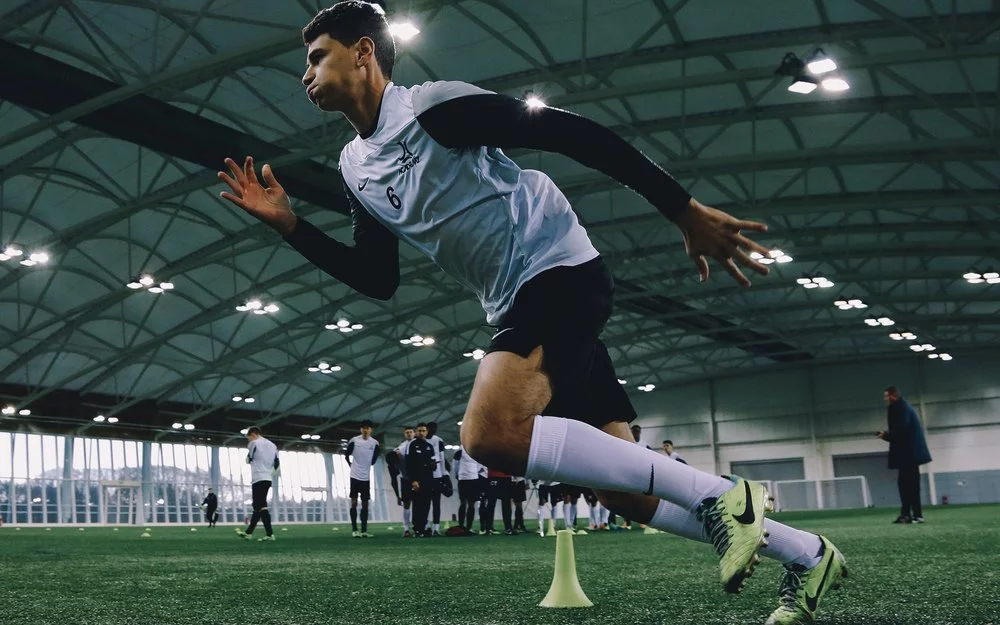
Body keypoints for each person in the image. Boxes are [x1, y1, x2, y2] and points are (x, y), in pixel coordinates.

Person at [217, 3, 845, 621]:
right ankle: (806, 554)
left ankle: (723, 500)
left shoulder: (432, 109)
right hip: (517, 297)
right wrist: (292, 226)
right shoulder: (354, 168)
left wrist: (681, 208)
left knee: (488, 435)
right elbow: (377, 277)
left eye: (316, 56)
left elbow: (563, 130)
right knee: (622, 492)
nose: (306, 73)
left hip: (557, 270)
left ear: (362, 52)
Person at [877, 386, 932, 524]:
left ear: (892, 396)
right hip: (909, 454)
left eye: (886, 396)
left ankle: (913, 515)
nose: (885, 399)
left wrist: (886, 435)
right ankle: (909, 514)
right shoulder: (903, 408)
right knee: (908, 484)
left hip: (908, 454)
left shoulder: (901, 409)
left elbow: (902, 430)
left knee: (909, 485)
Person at [236, 427, 278, 542]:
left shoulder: (254, 443)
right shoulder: (273, 445)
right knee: (259, 505)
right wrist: (269, 472)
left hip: (258, 477)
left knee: (259, 506)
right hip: (267, 478)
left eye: (248, 437)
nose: (248, 440)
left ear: (253, 434)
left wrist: (250, 459)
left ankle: (261, 534)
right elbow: (277, 464)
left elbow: (249, 459)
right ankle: (253, 533)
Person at [345, 420, 380, 537]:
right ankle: (355, 530)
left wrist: (367, 465)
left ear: (371, 430)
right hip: (354, 476)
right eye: (364, 428)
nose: (366, 430)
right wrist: (351, 465)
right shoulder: (354, 440)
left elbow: (374, 459)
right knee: (354, 502)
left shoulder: (375, 443)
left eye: (368, 428)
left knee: (365, 504)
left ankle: (364, 531)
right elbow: (346, 454)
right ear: (361, 429)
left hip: (366, 477)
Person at [404, 423, 437, 537]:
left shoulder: (430, 446)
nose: (421, 433)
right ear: (416, 432)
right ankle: (417, 529)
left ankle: (424, 528)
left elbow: (434, 464)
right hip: (417, 480)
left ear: (427, 432)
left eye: (423, 431)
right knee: (417, 505)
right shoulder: (412, 445)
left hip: (428, 479)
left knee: (426, 505)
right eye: (419, 431)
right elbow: (409, 464)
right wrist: (413, 480)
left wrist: (433, 465)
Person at [426, 422, 448, 536]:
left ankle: (436, 527)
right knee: (425, 502)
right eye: (431, 428)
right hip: (425, 474)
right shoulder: (422, 440)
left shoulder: (438, 440)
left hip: (437, 474)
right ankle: (426, 526)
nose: (433, 430)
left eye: (434, 428)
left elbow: (442, 458)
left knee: (436, 502)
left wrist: (444, 474)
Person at [454, 446, 483, 534]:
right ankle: (462, 526)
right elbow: (455, 463)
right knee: (464, 502)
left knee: (471, 503)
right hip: (464, 478)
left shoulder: (476, 449)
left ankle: (468, 527)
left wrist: (475, 472)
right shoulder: (460, 449)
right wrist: (458, 474)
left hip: (472, 478)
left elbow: (480, 463)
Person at [393, 425, 415, 536]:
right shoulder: (401, 446)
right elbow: (394, 457)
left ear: (414, 433)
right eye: (407, 432)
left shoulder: (418, 444)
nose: (409, 434)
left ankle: (423, 526)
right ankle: (406, 528)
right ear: (404, 434)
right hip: (406, 479)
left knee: (420, 503)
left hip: (418, 479)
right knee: (407, 504)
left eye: (411, 432)